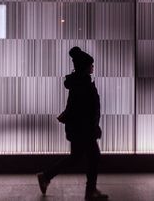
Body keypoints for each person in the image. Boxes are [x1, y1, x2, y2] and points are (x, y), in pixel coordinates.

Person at [37, 46, 108, 200]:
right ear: (84, 67)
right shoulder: (83, 85)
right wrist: (93, 127)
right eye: (91, 64)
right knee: (93, 156)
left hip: (79, 129)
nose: (93, 67)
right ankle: (90, 192)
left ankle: (46, 176)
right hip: (84, 130)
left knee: (76, 157)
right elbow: (86, 111)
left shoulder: (79, 83)